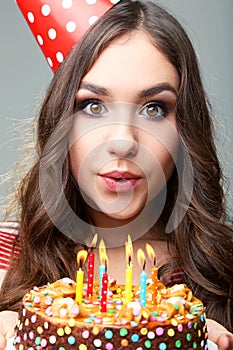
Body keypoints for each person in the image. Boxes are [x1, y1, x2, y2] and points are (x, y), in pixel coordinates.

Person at [0, 0, 233, 349]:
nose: (124, 141)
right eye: (93, 105)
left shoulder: (224, 272)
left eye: (154, 109)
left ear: (185, 129)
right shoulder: (5, 258)